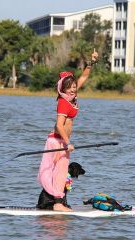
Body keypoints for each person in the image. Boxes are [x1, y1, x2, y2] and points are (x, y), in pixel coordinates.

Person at [37, 49, 99, 212]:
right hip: (58, 141)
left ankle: (56, 202)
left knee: (61, 172)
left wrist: (91, 62)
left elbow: (84, 76)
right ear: (62, 89)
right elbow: (59, 125)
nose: (73, 89)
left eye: (74, 87)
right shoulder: (63, 102)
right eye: (69, 87)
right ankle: (57, 204)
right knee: (59, 172)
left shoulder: (72, 97)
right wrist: (67, 142)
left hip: (61, 141)